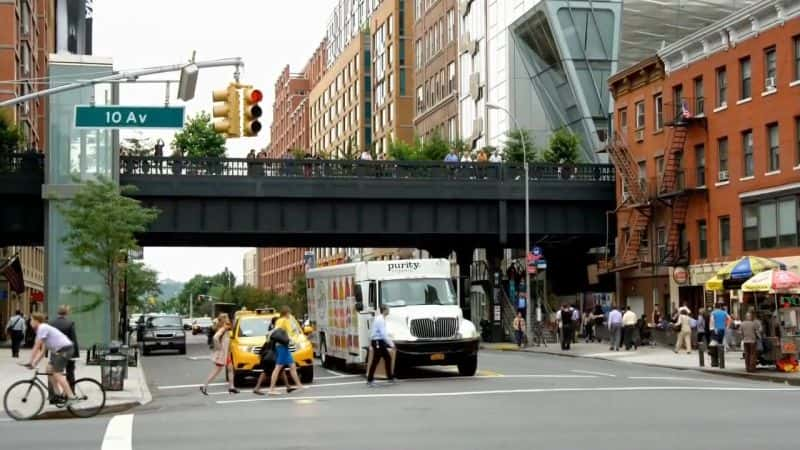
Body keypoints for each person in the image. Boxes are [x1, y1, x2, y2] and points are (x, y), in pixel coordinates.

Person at [23, 313, 78, 405]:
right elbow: (43, 350)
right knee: (49, 369)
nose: (30, 322)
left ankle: (72, 397)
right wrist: (34, 363)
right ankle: (57, 394)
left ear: (37, 321)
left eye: (31, 320)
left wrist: (30, 361)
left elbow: (36, 346)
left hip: (66, 349)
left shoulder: (42, 327)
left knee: (57, 373)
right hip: (59, 351)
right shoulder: (41, 330)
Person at [268, 307, 305, 395]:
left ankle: (299, 385)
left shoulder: (279, 320)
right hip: (282, 347)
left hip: (280, 346)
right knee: (278, 368)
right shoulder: (285, 320)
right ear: (287, 313)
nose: (290, 315)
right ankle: (271, 389)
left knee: (292, 366)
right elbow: (289, 332)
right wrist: (295, 330)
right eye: (289, 313)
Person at [200, 313, 238, 395]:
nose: (229, 319)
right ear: (224, 319)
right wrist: (219, 346)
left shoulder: (225, 327)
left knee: (230, 369)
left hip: (227, 354)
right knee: (216, 371)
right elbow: (215, 337)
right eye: (227, 317)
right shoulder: (223, 328)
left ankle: (231, 387)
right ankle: (204, 386)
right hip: (222, 354)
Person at [253, 317, 292, 395]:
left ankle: (288, 387)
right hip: (272, 354)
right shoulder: (276, 331)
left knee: (281, 369)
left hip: (269, 353)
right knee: (267, 371)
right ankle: (257, 388)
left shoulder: (272, 331)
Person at [49, 305, 79, 388]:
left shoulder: (51, 323)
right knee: (70, 372)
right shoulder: (70, 323)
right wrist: (75, 354)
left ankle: (53, 395)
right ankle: (71, 393)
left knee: (52, 373)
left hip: (55, 352)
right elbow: (73, 340)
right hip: (67, 351)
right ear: (67, 313)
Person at [367, 305, 395, 386]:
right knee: (376, 360)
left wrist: (389, 338)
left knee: (387, 358)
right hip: (377, 341)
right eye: (388, 309)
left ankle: (390, 377)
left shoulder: (381, 319)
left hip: (379, 341)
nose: (389, 310)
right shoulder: (380, 320)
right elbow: (383, 334)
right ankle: (370, 379)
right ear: (384, 310)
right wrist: (391, 344)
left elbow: (383, 333)